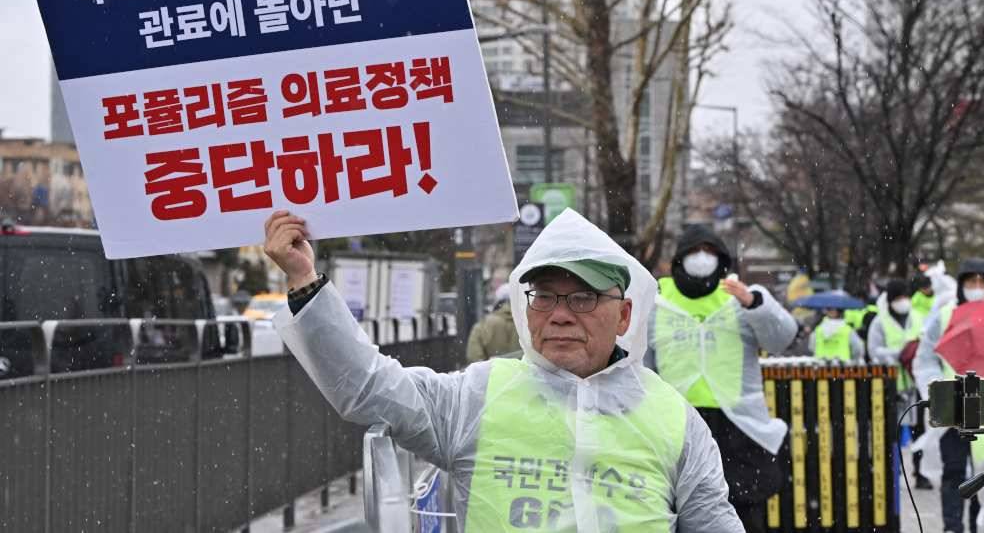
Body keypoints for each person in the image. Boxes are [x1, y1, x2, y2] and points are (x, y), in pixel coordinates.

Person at [265, 209, 743, 531]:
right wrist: (305, 281)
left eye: (582, 297)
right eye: (545, 296)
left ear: (623, 315)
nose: (559, 314)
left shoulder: (674, 418)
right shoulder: (476, 395)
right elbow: (367, 387)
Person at [646, 225, 798, 533]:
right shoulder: (657, 301)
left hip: (738, 428)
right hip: (678, 427)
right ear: (680, 259)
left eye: (711, 253)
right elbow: (644, 367)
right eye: (695, 252)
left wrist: (755, 304)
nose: (703, 259)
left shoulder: (739, 297)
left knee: (742, 509)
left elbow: (782, 338)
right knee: (681, 508)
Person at [915, 259, 984, 533]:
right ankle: (952, 527)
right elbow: (924, 359)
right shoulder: (945, 316)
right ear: (961, 285)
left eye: (982, 282)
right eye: (970, 282)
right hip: (954, 409)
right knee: (954, 471)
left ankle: (978, 526)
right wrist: (937, 392)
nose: (976, 288)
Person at [867, 278, 931, 488]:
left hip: (916, 383)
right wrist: (900, 353)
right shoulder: (880, 321)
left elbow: (929, 345)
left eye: (906, 296)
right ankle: (891, 472)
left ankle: (919, 471)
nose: (903, 301)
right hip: (891, 385)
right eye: (899, 297)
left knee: (919, 431)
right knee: (891, 432)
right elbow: (873, 351)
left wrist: (915, 352)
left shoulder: (919, 317)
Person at [466, 283, 519, 362]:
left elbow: (473, 356)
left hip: (493, 373)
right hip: (523, 373)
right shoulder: (527, 322)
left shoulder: (484, 324)